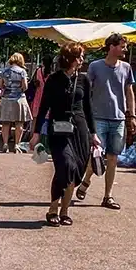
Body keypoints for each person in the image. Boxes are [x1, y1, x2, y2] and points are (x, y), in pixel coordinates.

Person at [29, 43, 98, 227]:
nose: (82, 60)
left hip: (80, 131)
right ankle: (53, 208)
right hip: (59, 129)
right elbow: (44, 107)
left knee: (75, 170)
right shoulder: (53, 79)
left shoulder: (84, 80)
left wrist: (93, 133)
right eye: (80, 56)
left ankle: (64, 211)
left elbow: (88, 109)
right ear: (70, 58)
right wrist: (36, 133)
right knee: (65, 166)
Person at [77, 34, 136, 210]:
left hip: (118, 118)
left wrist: (132, 115)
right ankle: (86, 180)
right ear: (112, 47)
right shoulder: (95, 66)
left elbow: (129, 92)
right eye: (122, 46)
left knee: (113, 158)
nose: (125, 50)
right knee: (96, 155)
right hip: (98, 117)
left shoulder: (126, 68)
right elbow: (86, 90)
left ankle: (108, 196)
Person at [0, 53, 32, 153]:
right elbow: (25, 86)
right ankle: (17, 145)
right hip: (19, 99)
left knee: (5, 123)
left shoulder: (4, 71)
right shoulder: (22, 71)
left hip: (6, 99)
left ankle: (5, 144)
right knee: (19, 123)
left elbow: (0, 85)